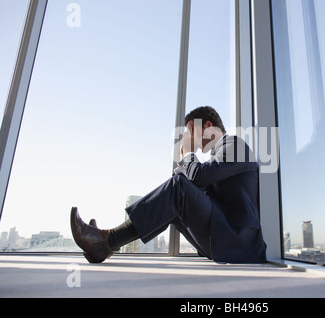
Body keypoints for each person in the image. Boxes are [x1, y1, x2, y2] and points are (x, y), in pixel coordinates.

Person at [70, 106, 267, 264]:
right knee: (175, 196)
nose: (191, 139)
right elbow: (202, 185)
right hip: (223, 235)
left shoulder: (234, 144)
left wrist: (189, 155)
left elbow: (199, 176)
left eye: (192, 131)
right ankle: (105, 244)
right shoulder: (219, 155)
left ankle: (106, 241)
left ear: (208, 125)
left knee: (178, 187)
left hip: (238, 239)